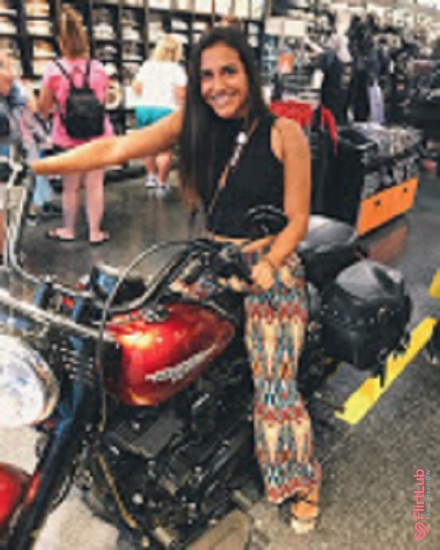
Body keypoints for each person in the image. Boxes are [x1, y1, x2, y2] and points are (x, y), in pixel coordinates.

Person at [32, 27, 321, 532]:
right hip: (208, 258)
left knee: (274, 387)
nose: (218, 85)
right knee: (144, 338)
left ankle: (301, 480)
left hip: (267, 264)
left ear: (249, 73)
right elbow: (115, 148)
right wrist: (35, 166)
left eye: (228, 71)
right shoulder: (194, 124)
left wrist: (271, 262)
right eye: (206, 75)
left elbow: (297, 220)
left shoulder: (283, 134)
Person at [37, 5, 113, 244]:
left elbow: (43, 107)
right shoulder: (98, 69)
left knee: (70, 187)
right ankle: (95, 232)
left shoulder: (53, 70)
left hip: (66, 137)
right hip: (98, 136)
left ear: (61, 42)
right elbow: (103, 101)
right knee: (95, 185)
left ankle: (68, 230)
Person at [131, 34, 186, 192]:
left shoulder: (147, 66)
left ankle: (150, 177)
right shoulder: (176, 70)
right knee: (164, 149)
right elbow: (181, 94)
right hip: (165, 110)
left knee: (148, 146)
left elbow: (136, 87)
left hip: (144, 109)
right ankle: (161, 183)